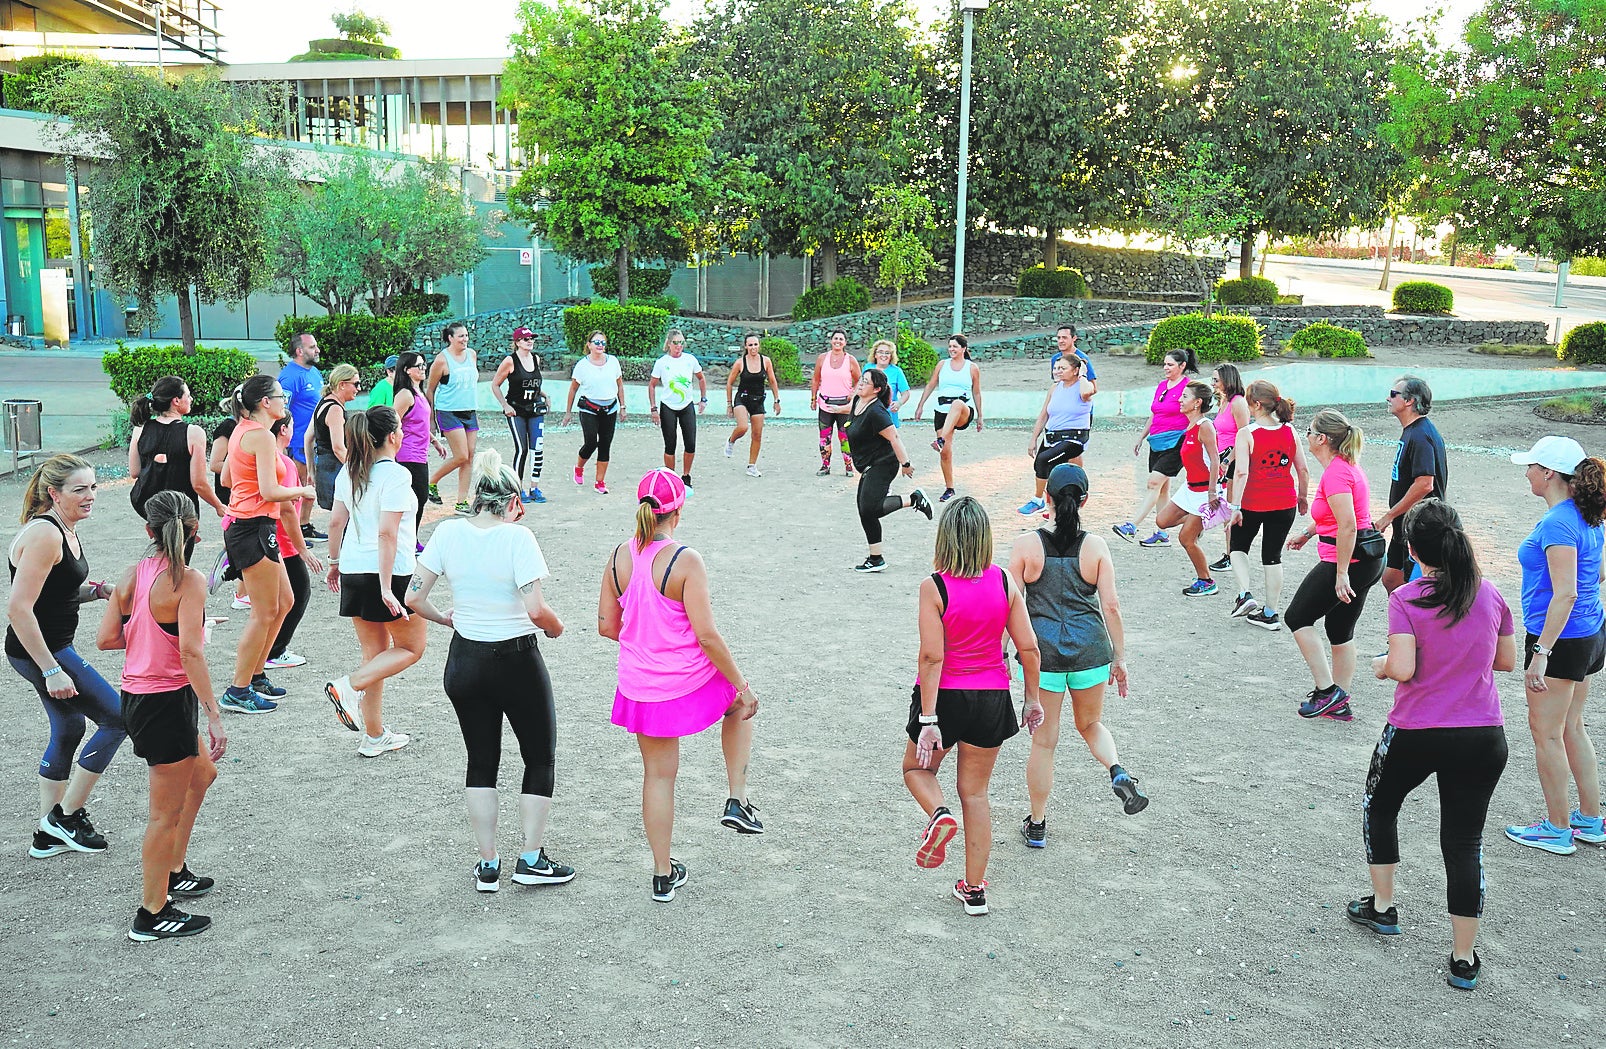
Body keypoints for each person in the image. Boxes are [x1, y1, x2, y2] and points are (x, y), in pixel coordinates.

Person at [1349, 499, 1514, 991]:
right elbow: (1505, 661)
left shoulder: (1406, 598)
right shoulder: (1490, 592)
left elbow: (1402, 668)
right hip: (1482, 735)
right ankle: (1463, 957)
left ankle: (1383, 907)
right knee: (1464, 842)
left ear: (1414, 550)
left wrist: (1380, 665)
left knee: (1380, 805)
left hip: (1418, 730)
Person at [408, 450, 576, 893]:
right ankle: (531, 858)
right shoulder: (519, 538)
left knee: (481, 760)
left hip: (465, 660)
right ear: (513, 502)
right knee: (538, 756)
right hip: (516, 659)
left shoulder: (447, 532)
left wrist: (446, 619)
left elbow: (414, 597)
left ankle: (488, 864)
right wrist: (556, 627)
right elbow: (536, 609)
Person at [599, 469, 761, 903]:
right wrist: (742, 683)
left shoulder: (617, 557)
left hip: (641, 688)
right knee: (739, 704)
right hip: (687, 679)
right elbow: (706, 635)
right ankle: (737, 798)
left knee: (658, 776)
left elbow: (607, 626)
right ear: (678, 511)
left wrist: (646, 640)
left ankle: (662, 874)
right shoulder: (685, 560)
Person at [95, 491, 227, 941]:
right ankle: (151, 912)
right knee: (162, 816)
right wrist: (214, 715)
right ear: (195, 530)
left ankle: (174, 869)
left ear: (148, 530)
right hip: (165, 703)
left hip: (140, 697)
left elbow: (106, 639)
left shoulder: (133, 574)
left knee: (203, 774)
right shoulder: (188, 580)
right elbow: (190, 651)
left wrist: (156, 637)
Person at [904, 496, 1042, 917]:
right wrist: (1032, 699)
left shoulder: (935, 587)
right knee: (977, 793)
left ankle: (939, 815)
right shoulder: (1005, 582)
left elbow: (932, 657)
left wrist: (929, 719)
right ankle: (975, 890)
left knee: (916, 770)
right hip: (992, 697)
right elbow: (1029, 648)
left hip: (945, 697)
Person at [1008, 464, 1144, 849]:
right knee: (1091, 724)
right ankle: (1116, 770)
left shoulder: (1026, 545)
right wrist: (1119, 658)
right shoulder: (1096, 547)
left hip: (1043, 656)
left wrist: (1002, 651)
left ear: (1046, 498)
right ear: (1084, 501)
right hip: (1090, 651)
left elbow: (1010, 604)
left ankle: (1037, 824)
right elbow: (1111, 606)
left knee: (1044, 742)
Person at [6, 454, 125, 858]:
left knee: (70, 727)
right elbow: (19, 608)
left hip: (50, 646)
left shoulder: (65, 527)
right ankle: (65, 817)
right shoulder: (46, 534)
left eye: (93, 487)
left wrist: (97, 591)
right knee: (118, 717)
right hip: (41, 651)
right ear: (54, 494)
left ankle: (47, 834)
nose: (90, 496)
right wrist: (51, 670)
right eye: (80, 490)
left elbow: (54, 590)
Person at [1504, 437, 1605, 855]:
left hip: (1561, 638)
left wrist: (1540, 653)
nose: (1526, 472)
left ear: (1548, 473)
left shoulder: (1558, 523)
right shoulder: (1587, 514)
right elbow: (1597, 575)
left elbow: (1566, 593)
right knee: (1571, 726)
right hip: (1589, 633)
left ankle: (1557, 829)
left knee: (1545, 733)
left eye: (1530, 466)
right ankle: (1590, 819)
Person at [323, 406, 424, 758]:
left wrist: (335, 563)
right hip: (390, 572)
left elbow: (335, 522)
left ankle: (374, 735)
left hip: (354, 567)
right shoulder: (396, 475)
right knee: (412, 648)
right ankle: (349, 686)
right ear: (392, 436)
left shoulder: (350, 471)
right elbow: (387, 533)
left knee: (375, 656)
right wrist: (385, 587)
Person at [220, 375, 317, 714]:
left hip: (255, 525)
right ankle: (238, 689)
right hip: (251, 528)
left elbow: (227, 478)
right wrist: (302, 490)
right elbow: (269, 491)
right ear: (265, 402)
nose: (284, 401)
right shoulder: (259, 435)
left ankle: (256, 675)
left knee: (285, 601)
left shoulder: (244, 430)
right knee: (263, 613)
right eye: (280, 396)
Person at [1285, 409, 1384, 722]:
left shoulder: (1337, 473)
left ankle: (1328, 691)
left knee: (1297, 617)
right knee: (1339, 629)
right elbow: (1334, 516)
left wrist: (1341, 573)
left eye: (1310, 430)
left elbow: (1348, 525)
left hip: (1351, 561)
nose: (1306, 435)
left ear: (1322, 439)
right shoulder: (1342, 467)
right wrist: (1306, 533)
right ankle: (1339, 703)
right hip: (1366, 559)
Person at [1226, 380, 1310, 630]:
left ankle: (1244, 594)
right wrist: (1302, 497)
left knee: (1238, 547)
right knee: (1272, 557)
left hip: (1253, 502)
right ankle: (1271, 613)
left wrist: (1235, 507)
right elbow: (1303, 469)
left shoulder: (1247, 434)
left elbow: (1241, 472)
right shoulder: (1290, 431)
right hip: (1284, 503)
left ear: (1256, 404)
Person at [833, 368, 932, 573]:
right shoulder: (858, 401)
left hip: (883, 464)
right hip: (869, 465)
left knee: (872, 509)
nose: (860, 384)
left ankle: (914, 499)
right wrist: (835, 408)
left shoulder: (877, 412)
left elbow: (894, 437)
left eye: (866, 382)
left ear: (877, 389)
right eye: (861, 380)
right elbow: (851, 412)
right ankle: (876, 559)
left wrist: (906, 464)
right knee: (865, 512)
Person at [127, 377, 227, 550]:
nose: (191, 399)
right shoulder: (193, 433)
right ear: (176, 401)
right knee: (180, 559)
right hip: (181, 510)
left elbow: (135, 472)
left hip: (149, 506)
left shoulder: (140, 429)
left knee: (162, 553)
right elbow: (199, 483)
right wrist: (218, 506)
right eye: (188, 395)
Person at [1114, 347, 1197, 547]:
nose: (1165, 368)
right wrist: (1141, 437)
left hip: (1176, 442)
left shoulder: (1188, 387)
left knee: (1153, 483)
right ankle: (1162, 534)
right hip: (1157, 441)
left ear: (1182, 366)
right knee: (1161, 489)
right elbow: (1154, 413)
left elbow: (1195, 412)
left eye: (1170, 365)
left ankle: (1132, 526)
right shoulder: (1162, 386)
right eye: (1165, 364)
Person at [1377, 376, 1448, 593]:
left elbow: (1425, 484)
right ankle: (1402, 613)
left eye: (1393, 394)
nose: (1388, 398)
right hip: (1405, 524)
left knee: (1417, 590)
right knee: (1391, 579)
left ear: (1409, 401)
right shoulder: (1413, 430)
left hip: (1420, 526)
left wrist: (1389, 515)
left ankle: (1410, 615)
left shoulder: (1420, 435)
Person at [1151, 381, 1223, 597]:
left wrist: (1212, 492)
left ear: (1197, 402)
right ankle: (1201, 521)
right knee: (1162, 521)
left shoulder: (1205, 426)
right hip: (1189, 489)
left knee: (1186, 539)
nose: (1180, 400)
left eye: (1184, 397)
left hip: (1204, 492)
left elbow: (1215, 460)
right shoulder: (1188, 425)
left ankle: (1206, 581)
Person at [265, 417, 325, 672]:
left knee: (279, 600)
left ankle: (270, 650)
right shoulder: (284, 464)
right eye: (291, 425)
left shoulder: (267, 460)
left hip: (272, 538)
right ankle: (274, 651)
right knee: (298, 594)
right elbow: (287, 510)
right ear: (284, 429)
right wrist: (301, 549)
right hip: (282, 541)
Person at [1019, 355, 1094, 516]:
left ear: (1075, 370)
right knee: (1042, 468)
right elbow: (1044, 415)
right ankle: (1055, 506)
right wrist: (1033, 439)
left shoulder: (1083, 386)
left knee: (1043, 460)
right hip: (1052, 436)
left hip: (1073, 439)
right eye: (1056, 368)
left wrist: (1082, 374)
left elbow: (1088, 392)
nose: (1057, 371)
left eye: (1063, 368)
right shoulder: (1055, 388)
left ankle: (1037, 501)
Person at [914, 335, 984, 503]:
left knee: (957, 404)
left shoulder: (971, 368)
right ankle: (949, 488)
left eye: (955, 346)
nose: (952, 349)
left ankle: (940, 440)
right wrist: (920, 405)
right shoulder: (942, 365)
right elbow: (931, 384)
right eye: (950, 346)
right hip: (942, 410)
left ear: (963, 349)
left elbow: (976, 392)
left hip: (963, 411)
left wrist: (980, 416)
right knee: (945, 453)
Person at [561, 330, 627, 495]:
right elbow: (573, 389)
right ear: (589, 345)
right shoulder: (582, 366)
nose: (600, 345)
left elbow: (619, 385)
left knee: (605, 444)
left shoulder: (613, 362)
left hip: (610, 408)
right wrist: (568, 412)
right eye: (596, 342)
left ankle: (600, 481)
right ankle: (579, 467)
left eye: (603, 342)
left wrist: (622, 406)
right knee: (591, 443)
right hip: (589, 408)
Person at [427, 321, 481, 515]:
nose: (465, 339)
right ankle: (431, 482)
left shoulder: (472, 355)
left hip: (470, 410)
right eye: (460, 336)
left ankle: (461, 502)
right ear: (450, 338)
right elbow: (430, 389)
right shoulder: (442, 360)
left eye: (466, 335)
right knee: (461, 455)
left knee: (470, 455)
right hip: (448, 411)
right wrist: (431, 419)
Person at [491, 326, 549, 504]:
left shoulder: (535, 358)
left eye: (531, 338)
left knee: (537, 448)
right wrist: (505, 405)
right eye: (526, 339)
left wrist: (544, 395)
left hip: (535, 409)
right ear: (517, 342)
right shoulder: (510, 361)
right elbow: (495, 385)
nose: (530, 341)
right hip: (517, 410)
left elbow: (533, 384)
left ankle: (534, 487)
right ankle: (518, 488)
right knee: (522, 449)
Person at [393, 351, 448, 534]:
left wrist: (434, 440)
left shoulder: (418, 392)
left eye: (424, 364)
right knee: (416, 498)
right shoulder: (405, 395)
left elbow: (419, 423)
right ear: (407, 370)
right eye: (419, 365)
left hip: (419, 453)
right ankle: (409, 539)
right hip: (407, 454)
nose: (424, 368)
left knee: (419, 498)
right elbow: (392, 423)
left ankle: (411, 538)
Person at [647, 329, 708, 494]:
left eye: (681, 342)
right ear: (668, 344)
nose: (679, 346)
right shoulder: (661, 362)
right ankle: (671, 478)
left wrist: (703, 399)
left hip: (687, 405)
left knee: (690, 444)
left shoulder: (690, 360)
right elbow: (652, 385)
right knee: (670, 445)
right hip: (668, 406)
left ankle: (686, 476)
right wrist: (653, 408)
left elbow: (701, 378)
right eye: (675, 343)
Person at [277, 332, 324, 541]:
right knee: (299, 485)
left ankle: (304, 525)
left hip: (313, 439)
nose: (317, 350)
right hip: (297, 442)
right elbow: (280, 410)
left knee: (310, 484)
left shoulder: (314, 372)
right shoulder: (290, 377)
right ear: (299, 351)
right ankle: (293, 532)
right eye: (312, 347)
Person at [1206, 364, 1250, 573]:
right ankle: (1230, 553)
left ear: (1227, 380)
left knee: (1233, 507)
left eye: (1216, 379)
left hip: (1233, 460)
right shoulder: (1223, 401)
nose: (1213, 383)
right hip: (1223, 460)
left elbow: (1244, 434)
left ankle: (1233, 555)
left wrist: (1228, 460)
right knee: (1226, 507)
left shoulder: (1238, 402)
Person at [207, 395, 249, 610]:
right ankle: (240, 591)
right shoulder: (228, 427)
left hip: (244, 490)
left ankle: (242, 588)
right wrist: (245, 469)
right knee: (244, 542)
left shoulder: (253, 429)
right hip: (232, 491)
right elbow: (214, 463)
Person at [723, 332, 782, 477]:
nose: (753, 347)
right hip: (742, 398)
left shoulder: (766, 361)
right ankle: (731, 441)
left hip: (758, 400)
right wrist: (729, 404)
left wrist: (776, 400)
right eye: (750, 345)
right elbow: (729, 383)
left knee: (757, 435)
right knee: (743, 427)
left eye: (755, 344)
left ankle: (752, 466)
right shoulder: (740, 363)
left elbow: (772, 381)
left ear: (759, 345)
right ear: (746, 346)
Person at [308, 363, 361, 515]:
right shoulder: (335, 409)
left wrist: (311, 470)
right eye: (356, 384)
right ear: (342, 384)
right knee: (345, 519)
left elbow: (308, 437)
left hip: (325, 468)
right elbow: (338, 448)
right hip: (335, 470)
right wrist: (358, 472)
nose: (358, 388)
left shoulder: (324, 402)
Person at [810, 329, 860, 477]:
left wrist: (853, 394)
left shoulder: (850, 360)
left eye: (841, 339)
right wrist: (813, 398)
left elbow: (860, 380)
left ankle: (849, 466)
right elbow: (816, 379)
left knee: (845, 437)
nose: (838, 341)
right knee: (824, 437)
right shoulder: (822, 358)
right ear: (831, 340)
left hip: (844, 406)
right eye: (835, 338)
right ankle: (825, 465)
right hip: (825, 404)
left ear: (845, 342)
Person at [863, 338, 912, 426]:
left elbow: (906, 393)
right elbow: (860, 387)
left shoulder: (897, 371)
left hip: (888, 414)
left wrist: (899, 403)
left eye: (887, 353)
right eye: (880, 352)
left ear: (891, 356)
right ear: (875, 355)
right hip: (867, 412)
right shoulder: (867, 368)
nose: (883, 355)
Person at [1048, 325, 1098, 397]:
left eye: (1064, 338)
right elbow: (1056, 383)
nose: (1061, 341)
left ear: (1074, 338)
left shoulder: (1082, 358)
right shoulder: (1055, 359)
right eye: (1059, 338)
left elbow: (1094, 388)